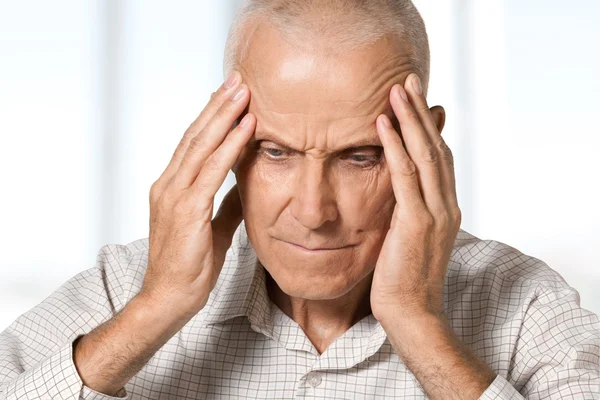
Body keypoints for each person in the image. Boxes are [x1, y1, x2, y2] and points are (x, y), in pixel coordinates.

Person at [1, 0, 599, 399]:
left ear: (426, 145)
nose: (314, 214)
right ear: (222, 143)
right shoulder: (123, 289)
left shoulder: (524, 307)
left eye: (360, 157)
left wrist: (419, 327)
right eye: (276, 152)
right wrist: (152, 313)